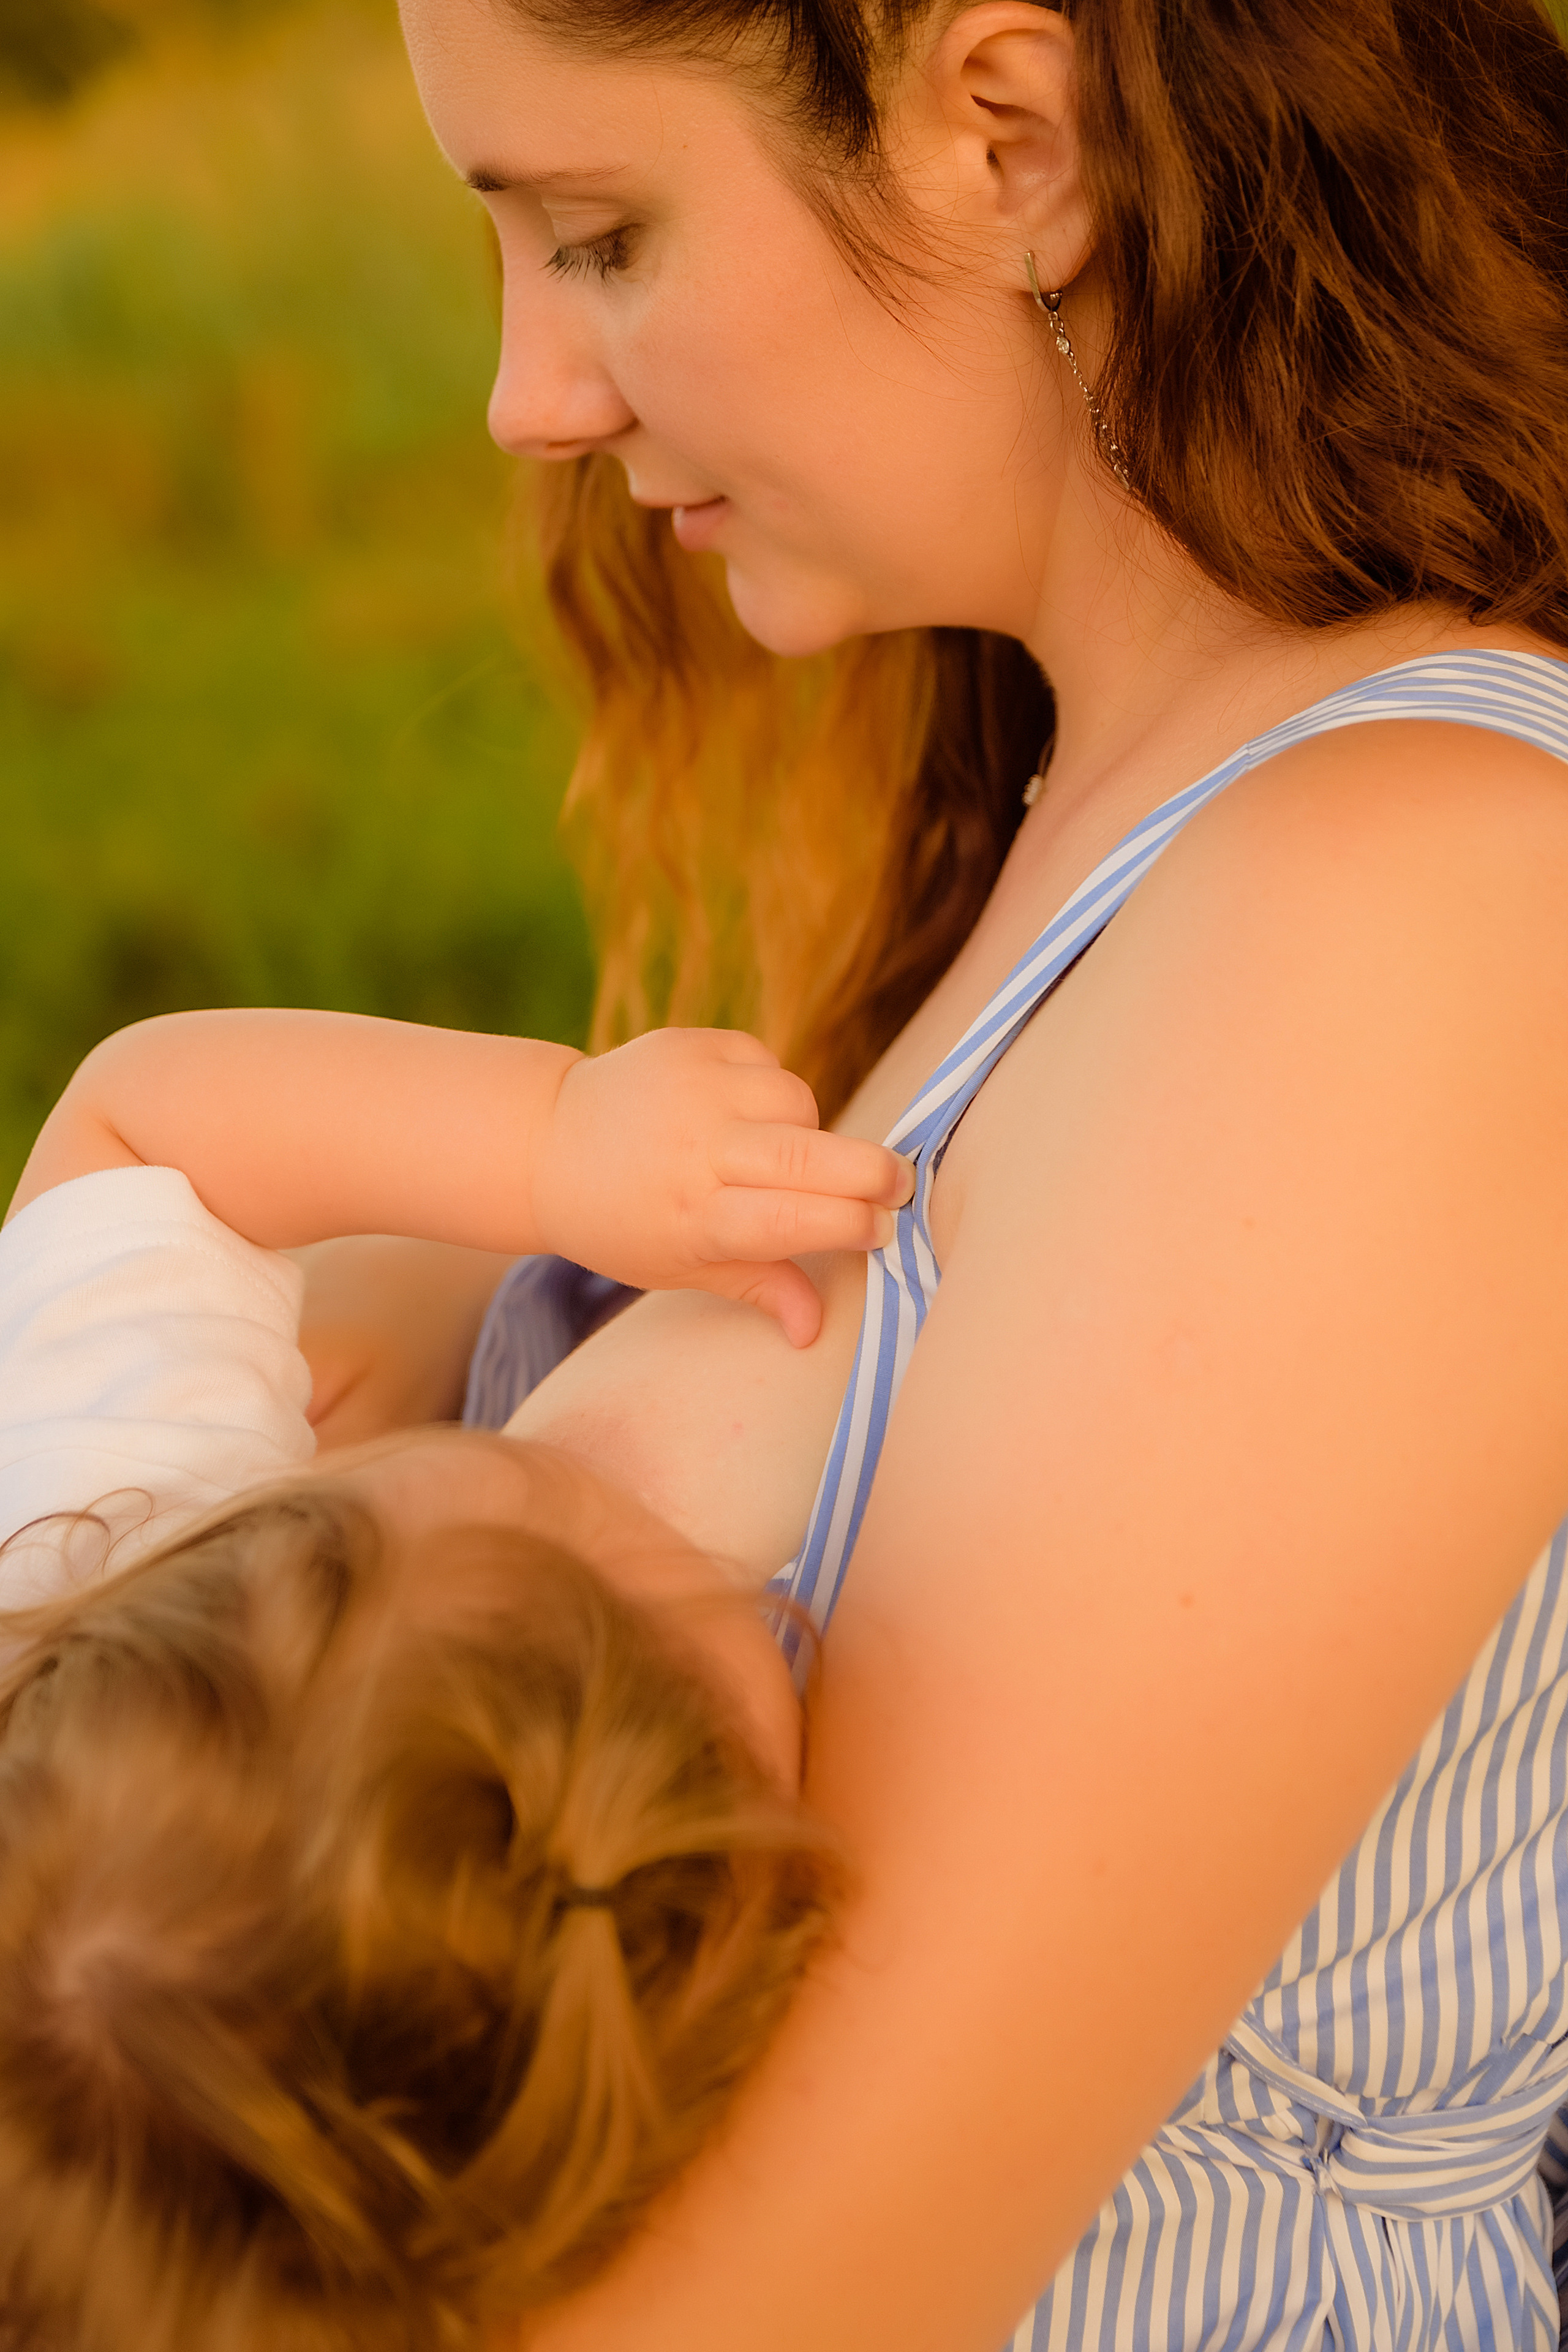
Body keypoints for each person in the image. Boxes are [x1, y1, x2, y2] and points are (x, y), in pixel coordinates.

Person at [279, 0, 1568, 2345]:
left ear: (1011, 138)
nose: (530, 400)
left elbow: (798, 2293)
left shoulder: (1405, 915)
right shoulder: (1105, 838)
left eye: (599, 236)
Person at [0, 1006, 914, 2348]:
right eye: (727, 1626)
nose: (713, 1566)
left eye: (553, 1500)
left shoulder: (89, 1501)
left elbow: (135, 1126)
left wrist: (553, 1143)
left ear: (262, 1534)